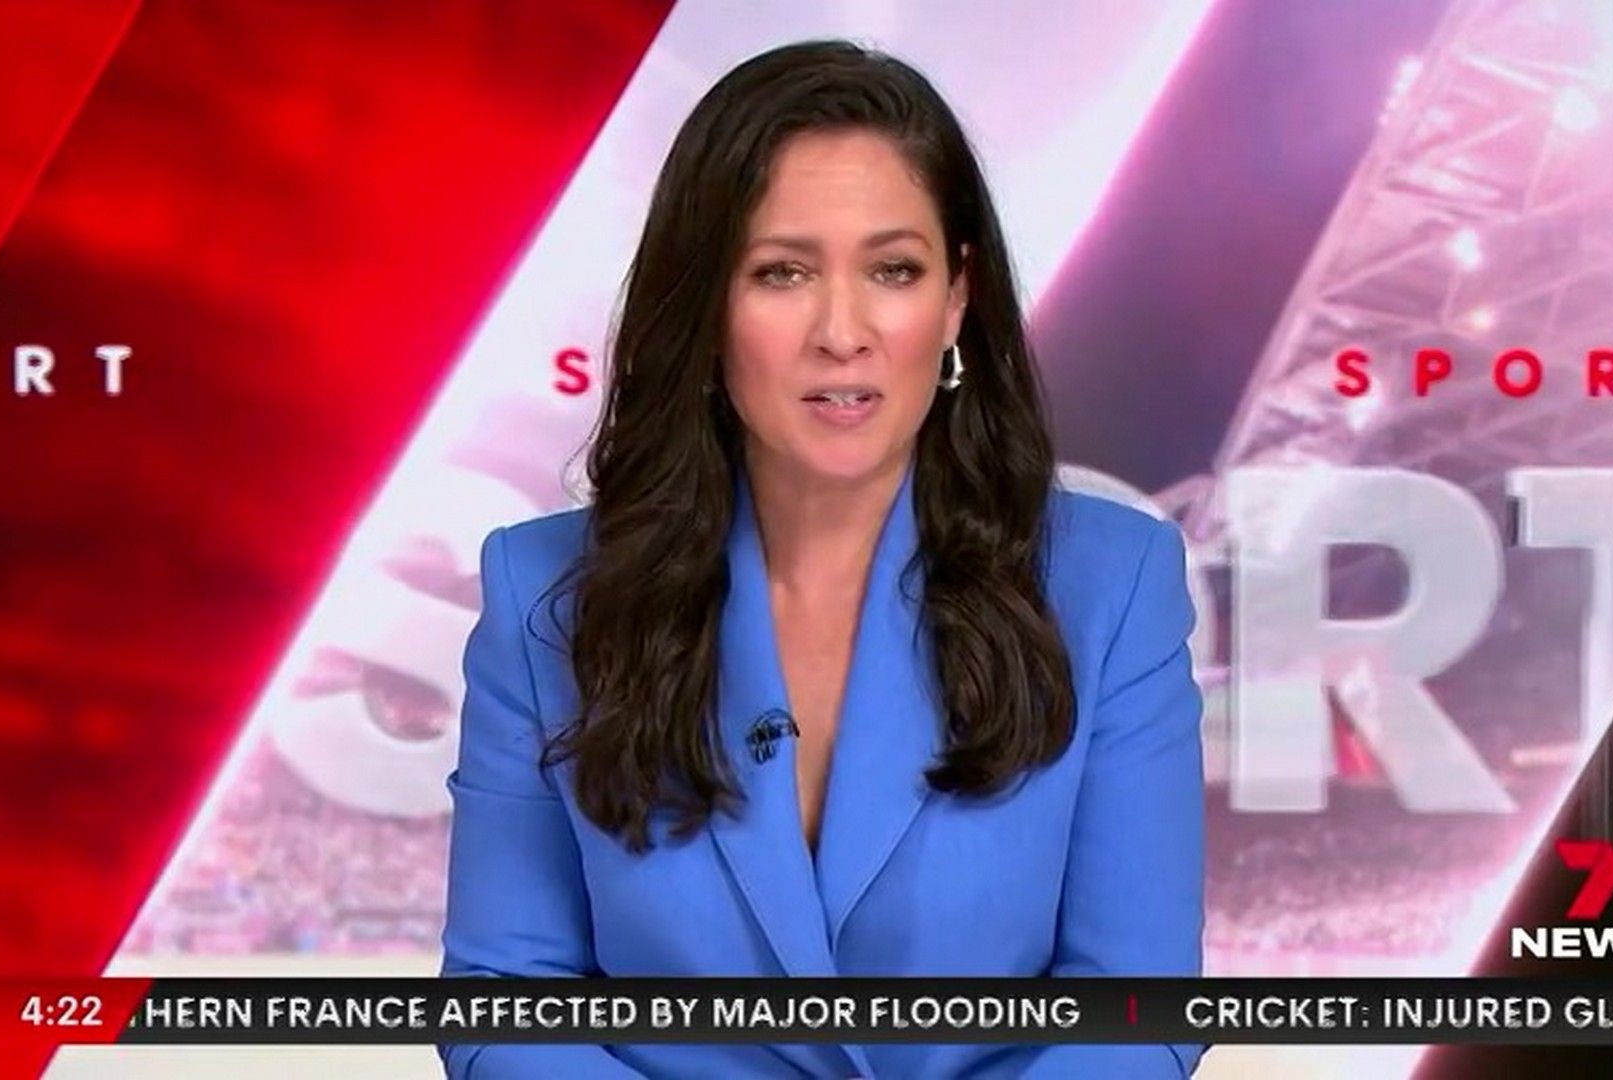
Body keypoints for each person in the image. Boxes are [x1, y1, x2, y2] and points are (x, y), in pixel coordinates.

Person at [438, 38, 1205, 1079]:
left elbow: (1140, 1006)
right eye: (782, 272)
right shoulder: (543, 598)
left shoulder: (1113, 585)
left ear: (957, 297)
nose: (842, 331)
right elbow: (503, 1001)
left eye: (893, 270)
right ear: (706, 307)